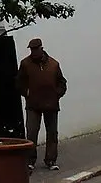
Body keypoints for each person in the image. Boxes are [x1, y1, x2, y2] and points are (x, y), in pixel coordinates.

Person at [17, 37, 67, 171]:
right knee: (32, 132)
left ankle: (51, 160)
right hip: (33, 104)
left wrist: (57, 94)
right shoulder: (25, 64)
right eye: (31, 49)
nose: (33, 52)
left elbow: (62, 82)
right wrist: (26, 93)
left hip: (51, 103)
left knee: (52, 133)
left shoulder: (53, 64)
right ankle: (30, 160)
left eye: (35, 49)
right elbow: (19, 82)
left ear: (41, 48)